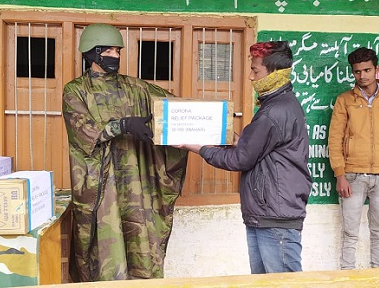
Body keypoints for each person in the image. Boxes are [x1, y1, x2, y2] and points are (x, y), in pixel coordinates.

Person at [62, 23, 188, 281]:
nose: (116, 56)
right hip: (101, 186)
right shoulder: (75, 91)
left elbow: (175, 108)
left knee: (142, 241)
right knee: (104, 249)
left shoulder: (136, 88)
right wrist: (124, 125)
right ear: (92, 53)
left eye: (118, 50)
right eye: (108, 50)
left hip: (137, 185)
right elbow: (85, 132)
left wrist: (213, 121)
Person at [177, 41, 312, 274]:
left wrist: (198, 147)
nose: (250, 77)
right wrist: (233, 138)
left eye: (255, 70)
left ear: (275, 72)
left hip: (274, 218)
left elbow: (240, 159)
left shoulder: (273, 112)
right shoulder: (280, 105)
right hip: (269, 214)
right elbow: (257, 148)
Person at [327, 47, 379, 270]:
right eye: (357, 72)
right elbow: (334, 140)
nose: (362, 76)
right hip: (352, 176)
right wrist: (340, 175)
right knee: (350, 232)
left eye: (367, 70)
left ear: (376, 69)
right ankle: (347, 279)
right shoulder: (345, 100)